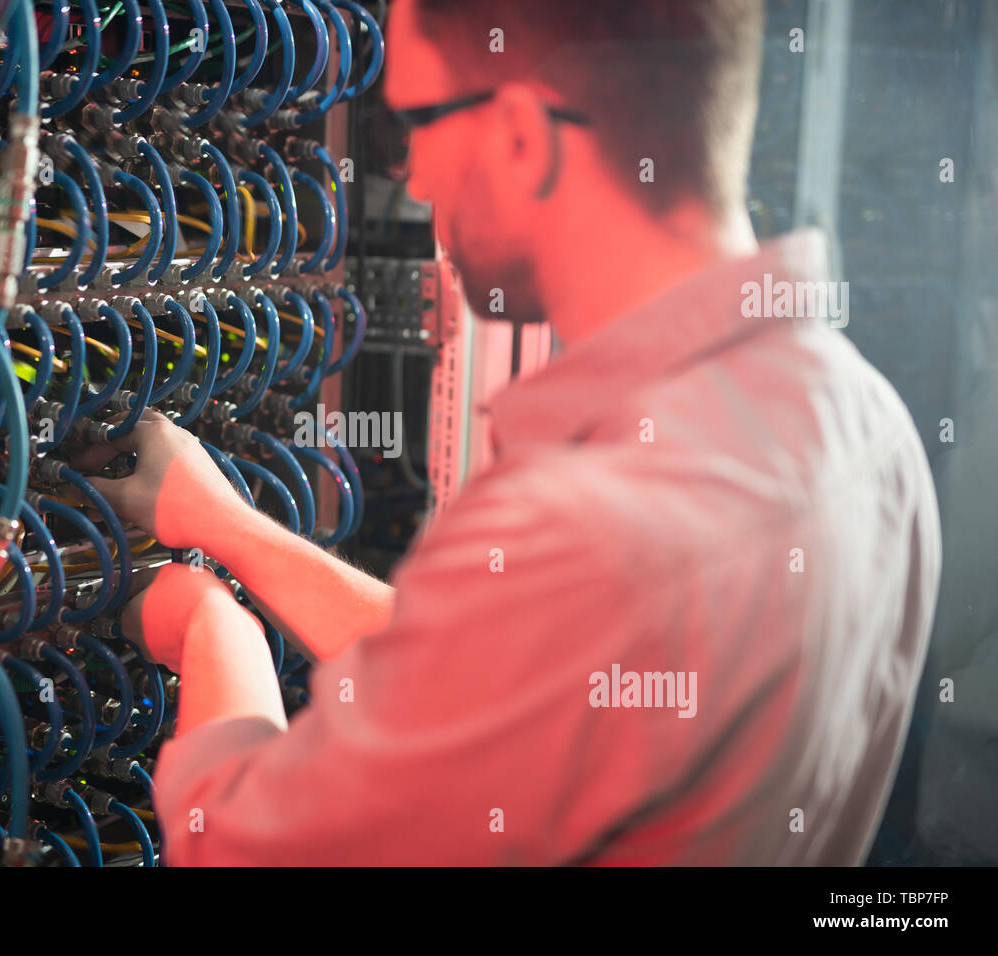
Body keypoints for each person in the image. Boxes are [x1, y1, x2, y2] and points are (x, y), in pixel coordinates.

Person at [81, 0, 942, 864]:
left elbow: (237, 844)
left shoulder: (584, 530)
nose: (412, 178)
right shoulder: (869, 430)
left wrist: (210, 621)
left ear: (525, 136)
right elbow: (510, 680)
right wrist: (231, 531)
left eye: (416, 121)